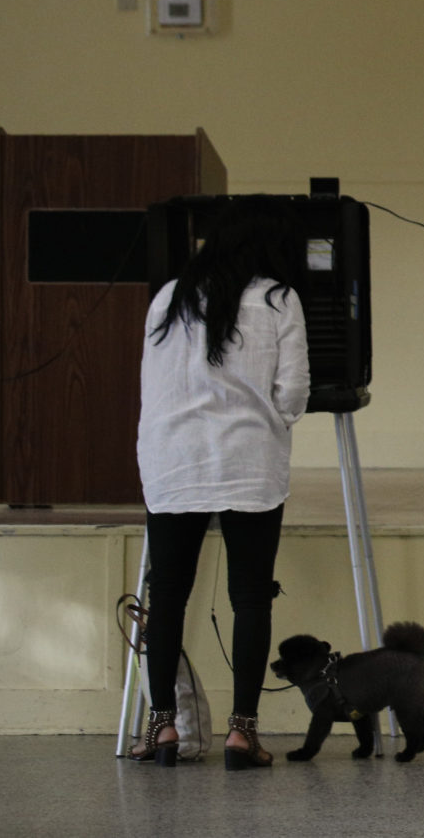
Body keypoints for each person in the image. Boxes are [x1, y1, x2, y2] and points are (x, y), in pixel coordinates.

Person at [132, 198, 309, 769]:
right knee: (251, 596)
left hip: (172, 461)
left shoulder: (169, 297)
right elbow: (293, 392)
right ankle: (241, 735)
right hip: (248, 461)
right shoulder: (278, 299)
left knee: (167, 596)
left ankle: (162, 728)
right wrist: (272, 421)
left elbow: (152, 388)